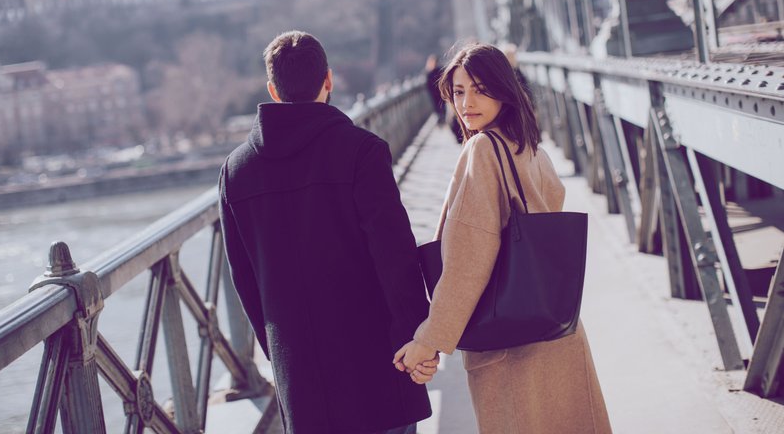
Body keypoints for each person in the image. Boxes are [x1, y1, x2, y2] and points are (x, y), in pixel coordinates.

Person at [218, 30, 437, 434]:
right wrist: (417, 335)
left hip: (300, 376)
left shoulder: (235, 172)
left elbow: (244, 279)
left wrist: (280, 356)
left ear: (272, 89)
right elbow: (395, 256)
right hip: (376, 363)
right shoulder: (362, 151)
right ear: (329, 80)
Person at [393, 43, 612, 434]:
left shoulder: (483, 150)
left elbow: (467, 258)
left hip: (515, 351)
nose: (467, 102)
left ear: (504, 89)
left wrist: (430, 340)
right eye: (459, 91)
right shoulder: (529, 147)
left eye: (480, 88)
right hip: (557, 333)